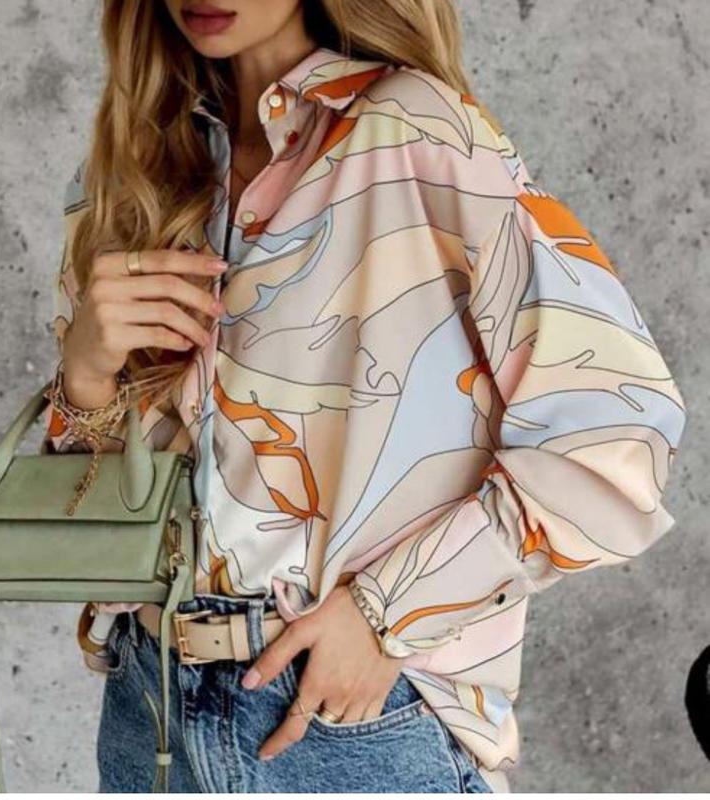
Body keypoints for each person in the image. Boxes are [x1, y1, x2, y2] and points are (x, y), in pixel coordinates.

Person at [40, 0, 688, 793]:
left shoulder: (417, 132)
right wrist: (86, 377)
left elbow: (615, 428)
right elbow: (87, 536)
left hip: (343, 727)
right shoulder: (131, 175)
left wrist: (385, 612)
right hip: (149, 713)